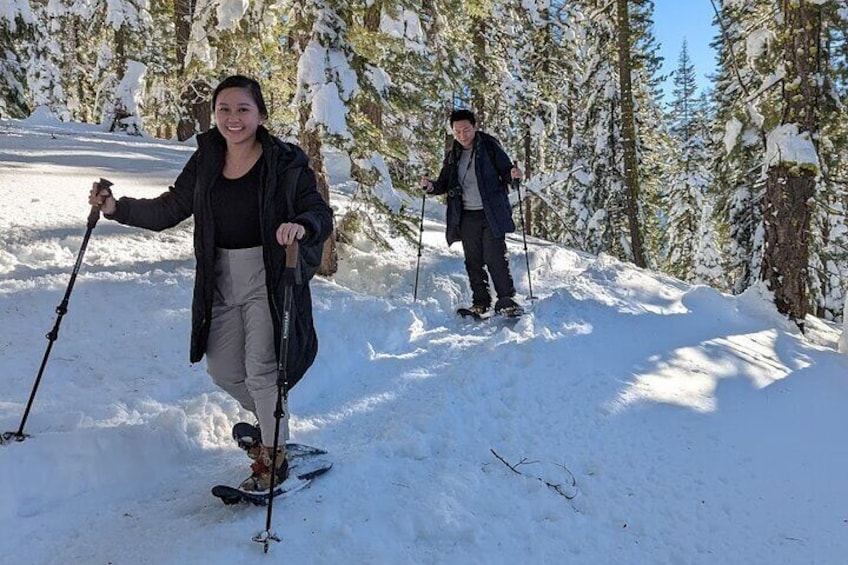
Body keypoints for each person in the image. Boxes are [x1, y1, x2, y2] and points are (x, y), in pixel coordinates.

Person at [88, 75, 333, 492]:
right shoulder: (205, 158)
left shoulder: (284, 161)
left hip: (268, 275)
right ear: (214, 113)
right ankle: (273, 422)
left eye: (242, 109)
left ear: (260, 114)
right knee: (221, 369)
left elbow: (318, 213)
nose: (232, 118)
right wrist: (116, 207)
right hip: (218, 277)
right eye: (224, 109)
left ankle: (273, 460)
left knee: (260, 369)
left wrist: (301, 226)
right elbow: (170, 208)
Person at [420, 109, 523, 316]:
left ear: (474, 127)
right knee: (473, 260)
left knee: (495, 257)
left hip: (490, 212)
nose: (462, 135)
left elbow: (506, 171)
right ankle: (481, 302)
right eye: (457, 131)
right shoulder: (453, 154)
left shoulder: (489, 146)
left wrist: (514, 175)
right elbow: (444, 183)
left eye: (466, 129)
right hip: (466, 215)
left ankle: (506, 300)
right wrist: (430, 187)